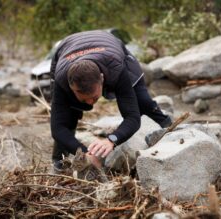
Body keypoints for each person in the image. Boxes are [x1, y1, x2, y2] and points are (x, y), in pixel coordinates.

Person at [50, 30, 172, 172]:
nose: (90, 103)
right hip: (65, 51)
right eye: (84, 99)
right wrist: (84, 153)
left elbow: (132, 118)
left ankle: (169, 127)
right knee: (68, 118)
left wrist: (111, 139)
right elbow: (58, 129)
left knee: (143, 102)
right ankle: (59, 163)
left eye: (95, 97)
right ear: (71, 88)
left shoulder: (116, 68)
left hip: (111, 51)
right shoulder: (61, 80)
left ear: (102, 79)